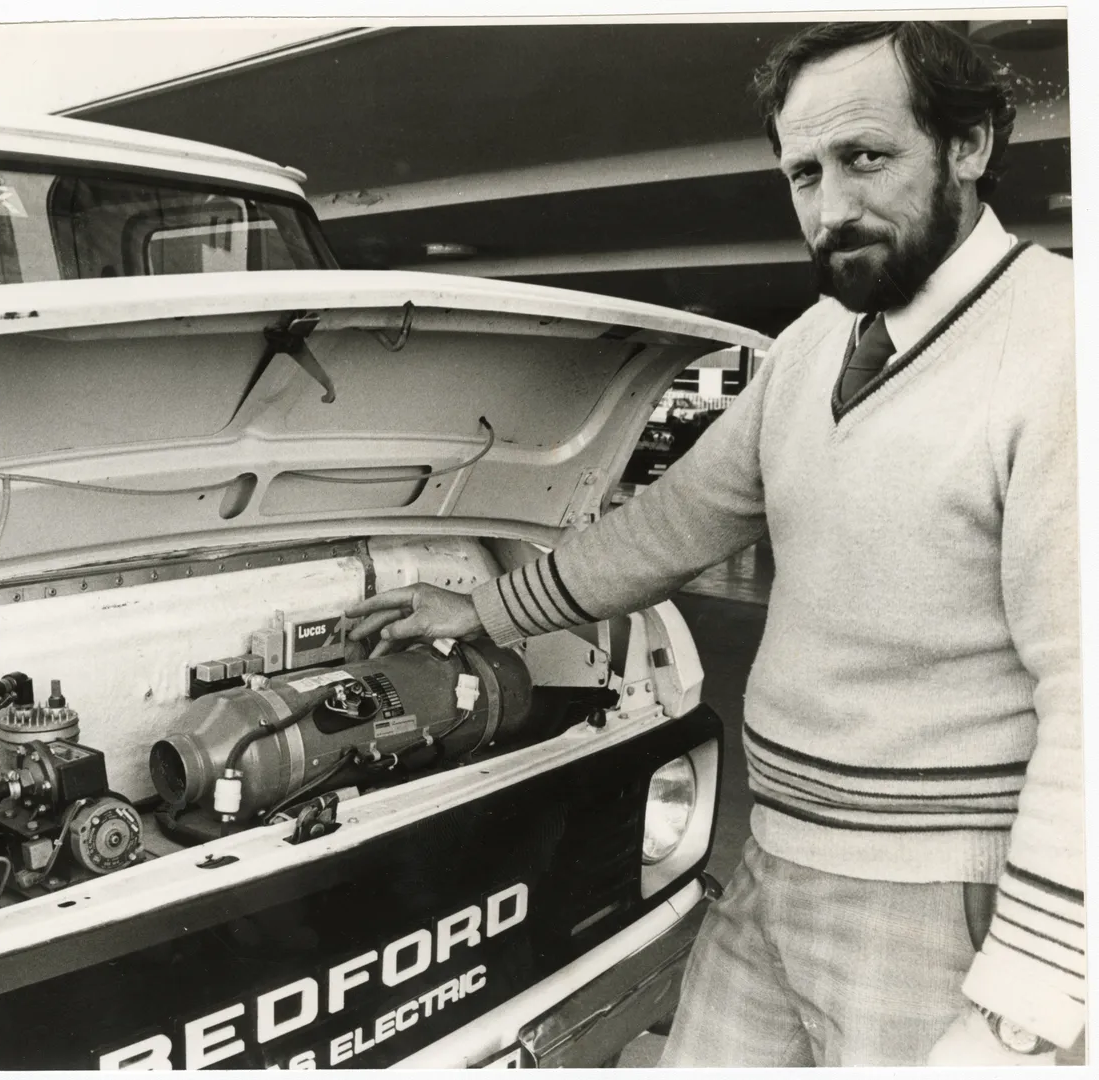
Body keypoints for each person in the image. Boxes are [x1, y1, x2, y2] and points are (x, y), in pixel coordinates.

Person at [346, 21, 1081, 1067]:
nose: (831, 208)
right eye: (803, 174)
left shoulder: (1063, 349)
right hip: (773, 859)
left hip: (938, 905)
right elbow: (673, 523)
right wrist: (489, 609)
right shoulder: (812, 347)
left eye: (866, 158)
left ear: (969, 145)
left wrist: (1033, 1000)